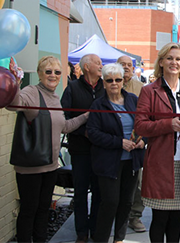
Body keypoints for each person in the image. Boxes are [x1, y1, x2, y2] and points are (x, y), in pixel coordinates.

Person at [8, 56, 89, 243]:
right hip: (31, 167)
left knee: (44, 209)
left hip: (50, 166)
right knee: (29, 210)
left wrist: (85, 116)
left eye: (57, 72)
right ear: (39, 73)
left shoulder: (54, 97)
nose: (53, 75)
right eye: (48, 71)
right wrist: (15, 83)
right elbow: (13, 105)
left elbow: (64, 127)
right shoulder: (31, 92)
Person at [134, 42, 180, 243]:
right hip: (160, 162)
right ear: (162, 62)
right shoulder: (149, 90)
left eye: (178, 59)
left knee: (177, 217)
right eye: (170, 58)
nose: (174, 62)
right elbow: (140, 126)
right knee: (160, 217)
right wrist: (168, 125)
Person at [86, 63, 146, 243]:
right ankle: (101, 239)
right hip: (108, 162)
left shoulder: (133, 100)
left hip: (131, 161)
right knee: (110, 202)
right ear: (103, 82)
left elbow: (145, 125)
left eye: (118, 79)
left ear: (123, 81)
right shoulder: (98, 104)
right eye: (109, 80)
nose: (114, 83)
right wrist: (119, 143)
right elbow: (93, 133)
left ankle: (119, 239)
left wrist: (144, 140)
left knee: (126, 202)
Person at [61, 54, 105, 243]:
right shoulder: (72, 88)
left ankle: (95, 228)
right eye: (98, 63)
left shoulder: (106, 87)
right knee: (80, 192)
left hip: (102, 149)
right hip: (80, 149)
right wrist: (83, 132)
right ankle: (81, 232)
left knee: (99, 192)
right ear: (87, 67)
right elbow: (65, 117)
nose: (101, 66)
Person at [116, 56, 147, 233]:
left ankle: (134, 217)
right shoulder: (109, 85)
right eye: (122, 64)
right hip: (114, 145)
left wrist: (144, 139)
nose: (126, 67)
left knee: (138, 184)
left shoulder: (141, 88)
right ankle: (115, 216)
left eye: (129, 65)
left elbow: (147, 116)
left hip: (136, 145)